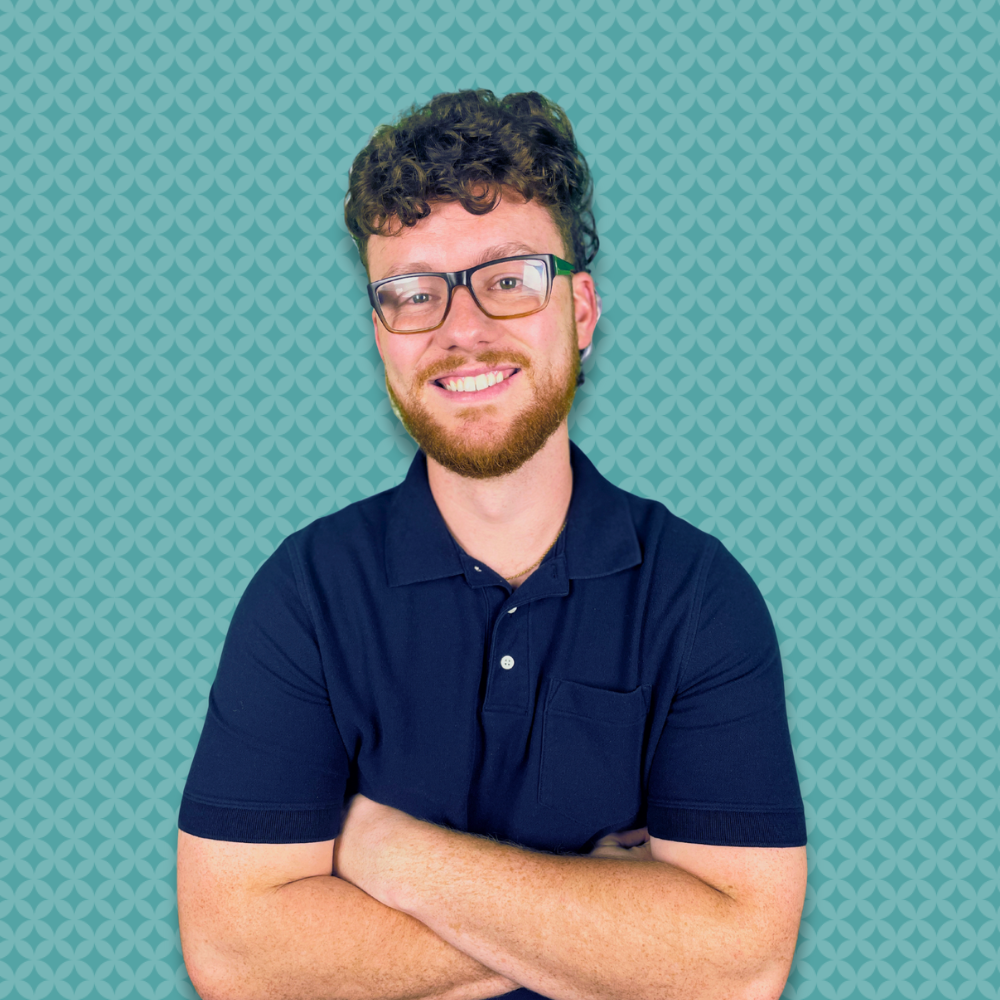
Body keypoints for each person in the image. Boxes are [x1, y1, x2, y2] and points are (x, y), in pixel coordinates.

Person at [176, 89, 808, 1000]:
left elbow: (739, 966)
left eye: (508, 279)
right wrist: (612, 919)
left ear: (581, 312)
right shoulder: (304, 594)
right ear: (381, 335)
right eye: (412, 293)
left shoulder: (699, 596)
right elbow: (237, 957)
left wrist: (385, 852)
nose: (460, 330)